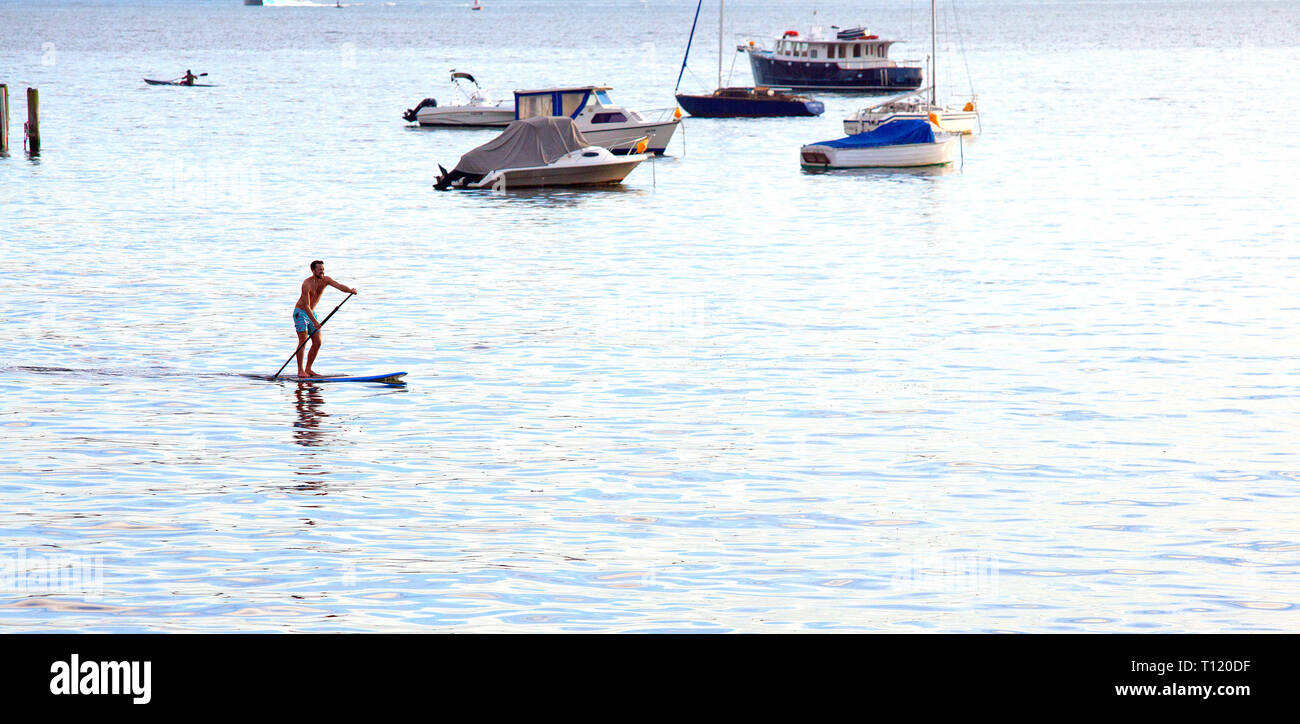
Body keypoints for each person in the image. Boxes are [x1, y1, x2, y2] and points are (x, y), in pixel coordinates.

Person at [293, 260, 358, 378]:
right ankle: (300, 371)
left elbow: (339, 286)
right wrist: (314, 321)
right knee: (303, 341)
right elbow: (306, 306)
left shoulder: (326, 280)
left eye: (323, 269)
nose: (322, 272)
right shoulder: (306, 284)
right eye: (319, 270)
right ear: (313, 271)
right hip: (301, 313)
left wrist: (350, 290)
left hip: (311, 313)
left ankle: (308, 369)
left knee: (317, 342)